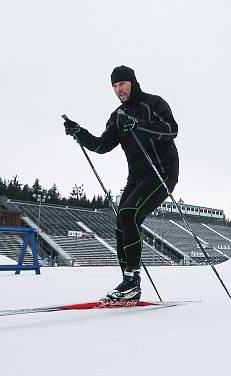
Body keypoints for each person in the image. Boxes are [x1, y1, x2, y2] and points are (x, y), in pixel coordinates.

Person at [63, 65, 179, 301]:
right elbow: (102, 146)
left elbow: (172, 130)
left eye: (122, 84)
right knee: (120, 223)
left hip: (161, 172)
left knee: (128, 214)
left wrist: (139, 126)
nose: (119, 90)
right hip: (136, 176)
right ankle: (129, 284)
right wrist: (79, 133)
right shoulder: (117, 116)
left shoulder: (153, 103)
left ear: (133, 82)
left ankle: (131, 280)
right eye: (114, 86)